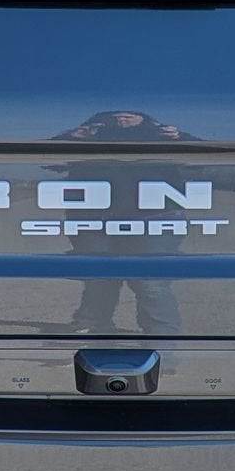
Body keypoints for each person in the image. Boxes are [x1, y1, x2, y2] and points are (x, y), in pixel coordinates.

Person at [54, 109, 193, 335]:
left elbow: (202, 162)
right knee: (98, 278)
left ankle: (161, 344)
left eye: (129, 114)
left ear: (144, 115)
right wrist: (71, 138)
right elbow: (47, 163)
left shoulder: (162, 134)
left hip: (156, 217)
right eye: (114, 115)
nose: (121, 118)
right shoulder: (90, 135)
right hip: (92, 217)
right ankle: (90, 331)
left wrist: (181, 138)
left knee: (151, 283)